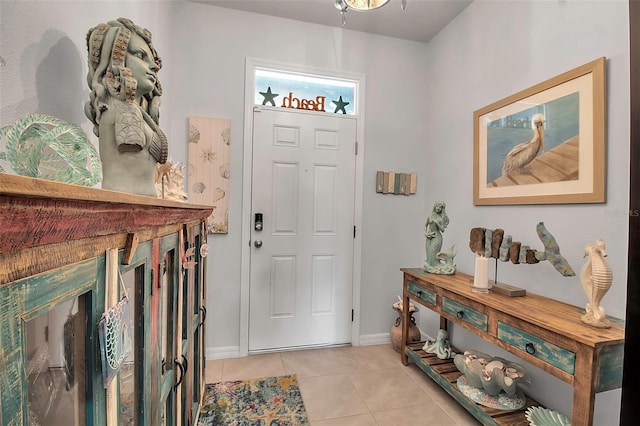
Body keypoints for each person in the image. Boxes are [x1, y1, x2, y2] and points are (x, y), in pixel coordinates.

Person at [85, 18, 168, 197]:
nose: (153, 66)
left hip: (143, 207)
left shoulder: (137, 111)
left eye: (152, 60)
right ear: (118, 58)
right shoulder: (120, 109)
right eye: (140, 55)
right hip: (126, 206)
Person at [424, 201, 456, 274]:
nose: (438, 208)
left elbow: (442, 230)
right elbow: (425, 225)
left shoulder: (441, 218)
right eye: (437, 206)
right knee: (429, 257)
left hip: (437, 237)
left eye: (440, 207)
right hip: (429, 238)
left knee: (433, 255)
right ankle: (431, 267)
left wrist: (436, 222)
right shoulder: (430, 216)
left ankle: (440, 267)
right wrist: (425, 233)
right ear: (434, 207)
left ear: (442, 209)